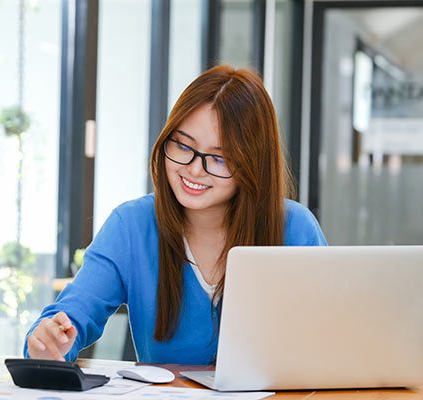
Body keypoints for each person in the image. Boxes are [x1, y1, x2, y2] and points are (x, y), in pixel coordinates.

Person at [24, 64, 327, 365]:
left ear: (253, 165)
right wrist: (49, 340)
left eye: (219, 158)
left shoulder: (295, 228)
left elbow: (330, 335)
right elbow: (75, 312)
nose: (194, 169)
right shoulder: (131, 225)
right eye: (183, 145)